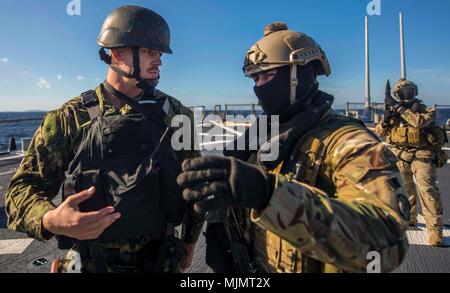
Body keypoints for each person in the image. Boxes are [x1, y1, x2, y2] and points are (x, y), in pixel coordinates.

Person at [177, 22, 410, 273]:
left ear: (298, 75)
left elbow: (386, 244)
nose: (259, 87)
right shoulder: (261, 135)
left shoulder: (346, 141)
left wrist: (269, 194)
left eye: (267, 75)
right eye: (255, 78)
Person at [5, 5, 204, 272]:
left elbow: (197, 188)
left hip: (161, 258)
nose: (159, 60)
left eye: (159, 53)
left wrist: (189, 246)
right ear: (117, 53)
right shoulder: (69, 118)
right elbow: (20, 190)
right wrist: (50, 219)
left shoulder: (177, 116)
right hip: (90, 262)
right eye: (149, 51)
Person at [375, 78, 448, 246]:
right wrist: (386, 119)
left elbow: (418, 122)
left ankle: (435, 230)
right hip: (400, 155)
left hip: (423, 155)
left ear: (415, 92)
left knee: (427, 190)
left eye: (410, 91)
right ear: (397, 94)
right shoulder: (394, 112)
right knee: (404, 190)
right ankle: (410, 219)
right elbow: (380, 131)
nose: (406, 94)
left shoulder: (426, 110)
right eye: (402, 92)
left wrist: (399, 108)